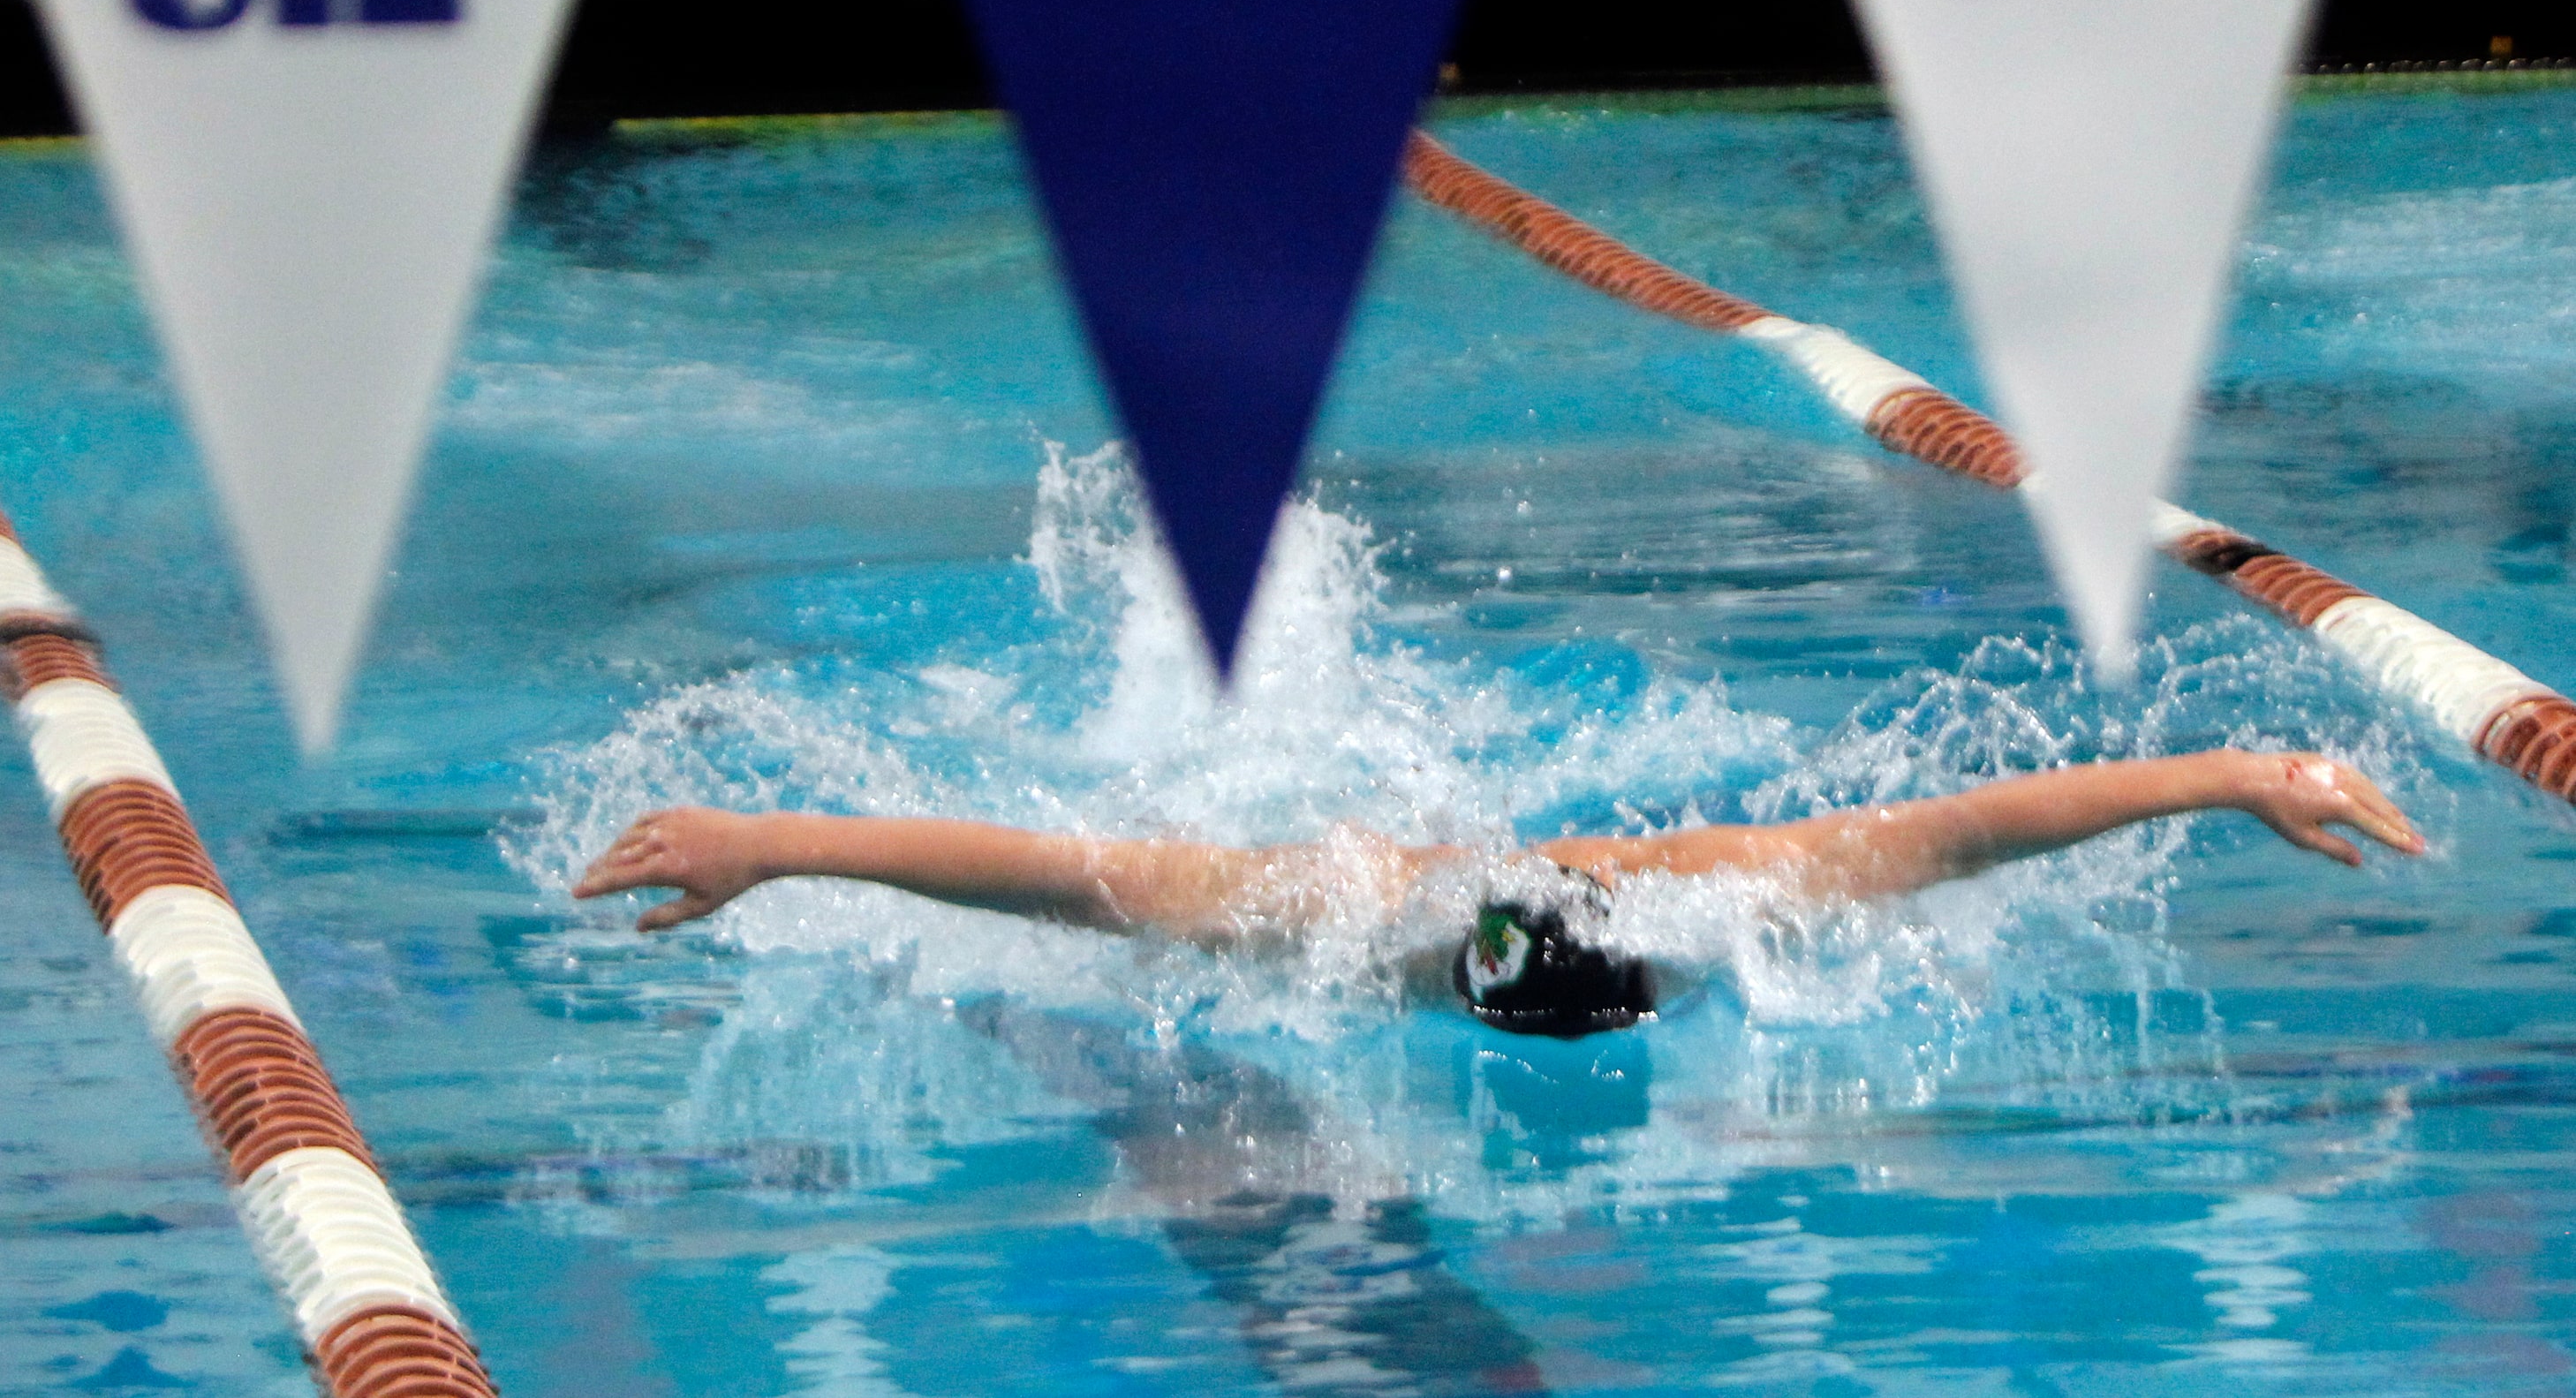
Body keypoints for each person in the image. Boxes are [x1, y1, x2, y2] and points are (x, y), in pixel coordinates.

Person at [576, 748, 2422, 1039]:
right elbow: (1047, 874)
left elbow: (1968, 825)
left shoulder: (1714, 908)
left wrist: (2226, 775)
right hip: (1362, 888)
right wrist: (783, 838)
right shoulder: (1331, 916)